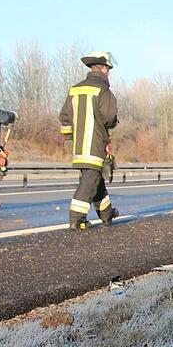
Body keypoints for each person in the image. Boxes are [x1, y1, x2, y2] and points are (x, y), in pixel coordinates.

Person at [59, 51, 119, 230]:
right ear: (104, 68)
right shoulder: (103, 90)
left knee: (94, 178)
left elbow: (64, 116)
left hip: (79, 145)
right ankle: (76, 219)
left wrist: (71, 137)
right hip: (95, 143)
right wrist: (112, 125)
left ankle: (106, 214)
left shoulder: (75, 89)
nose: (109, 72)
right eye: (108, 68)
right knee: (89, 181)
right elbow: (109, 117)